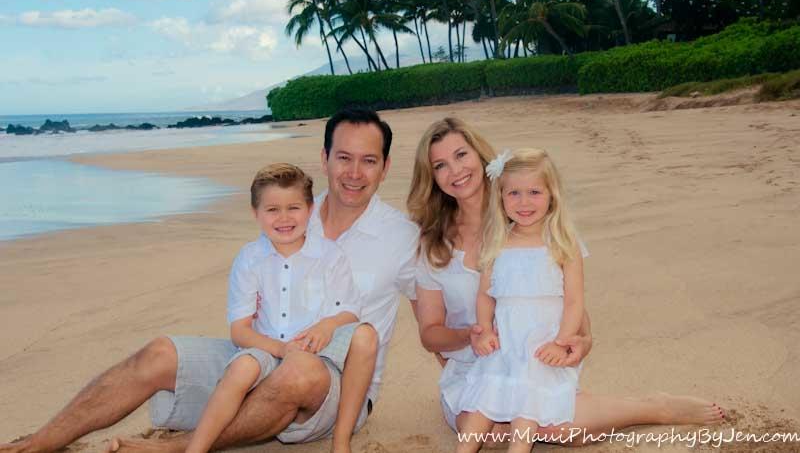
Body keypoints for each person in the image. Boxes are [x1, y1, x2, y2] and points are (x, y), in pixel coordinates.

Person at [0, 108, 418, 453]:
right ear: (324, 158)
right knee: (160, 353)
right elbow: (255, 299)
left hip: (338, 388)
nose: (354, 172)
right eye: (344, 157)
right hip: (266, 352)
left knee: (298, 372)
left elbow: (439, 317)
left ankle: (175, 448)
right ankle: (42, 442)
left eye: (369, 160)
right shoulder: (291, 210)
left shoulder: (403, 237)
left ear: (385, 168)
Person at [409, 117, 725, 448]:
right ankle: (586, 413)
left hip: (537, 356)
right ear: (431, 177)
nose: (455, 170)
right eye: (440, 165)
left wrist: (581, 340)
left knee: (547, 425)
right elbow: (430, 334)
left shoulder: (528, 211)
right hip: (475, 367)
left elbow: (567, 297)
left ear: (480, 156)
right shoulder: (433, 243)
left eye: (461, 155)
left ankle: (651, 408)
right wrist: (472, 334)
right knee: (494, 432)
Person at [186, 163, 369, 453]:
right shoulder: (249, 259)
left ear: (310, 209)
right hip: (268, 348)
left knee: (366, 335)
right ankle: (196, 448)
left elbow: (350, 310)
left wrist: (326, 326)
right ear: (255, 214)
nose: (284, 218)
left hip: (316, 354)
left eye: (293, 207)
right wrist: (281, 350)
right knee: (243, 366)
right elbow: (239, 331)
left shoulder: (330, 255)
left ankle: (341, 442)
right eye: (272, 210)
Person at [456, 148, 586, 453]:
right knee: (483, 397)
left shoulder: (563, 243)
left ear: (552, 195)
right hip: (507, 341)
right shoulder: (497, 242)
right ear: (500, 197)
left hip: (543, 343)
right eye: (513, 193)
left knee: (527, 396)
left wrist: (562, 340)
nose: (524, 202)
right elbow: (485, 295)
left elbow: (574, 302)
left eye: (534, 192)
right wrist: (485, 329)